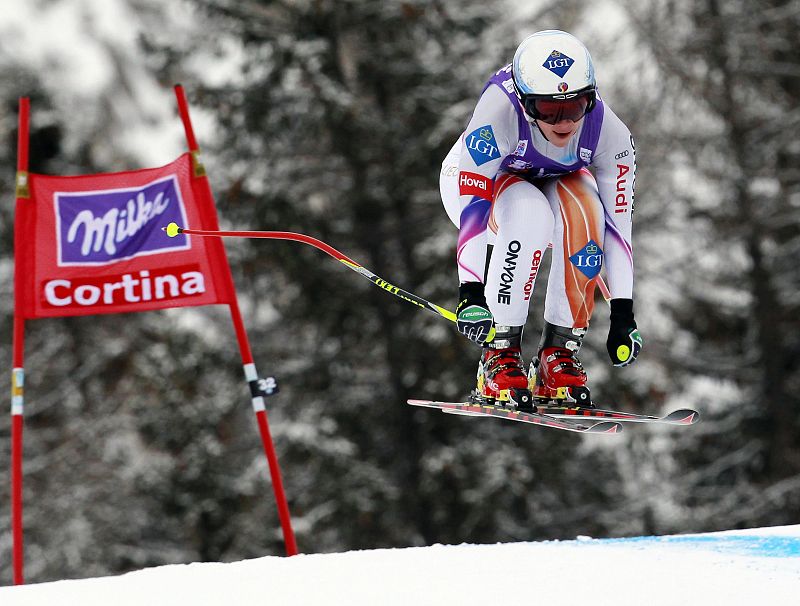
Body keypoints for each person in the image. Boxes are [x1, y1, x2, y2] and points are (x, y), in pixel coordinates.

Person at [439, 30, 643, 408]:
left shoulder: (610, 135)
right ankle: (499, 354)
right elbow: (473, 209)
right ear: (524, 102)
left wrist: (623, 314)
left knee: (588, 208)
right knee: (529, 212)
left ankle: (558, 354)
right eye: (547, 110)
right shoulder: (496, 115)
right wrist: (470, 293)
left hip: (547, 181)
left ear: (591, 97)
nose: (563, 122)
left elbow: (618, 230)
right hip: (481, 186)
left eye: (576, 106)